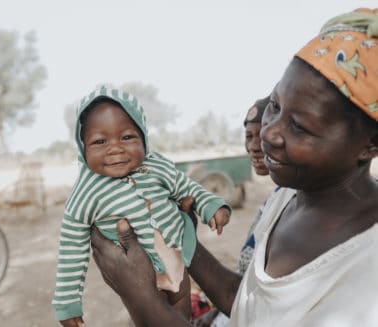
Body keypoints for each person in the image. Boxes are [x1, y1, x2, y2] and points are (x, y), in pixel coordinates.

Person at [90, 8, 378, 326]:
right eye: (275, 107)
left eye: (298, 126)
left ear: (370, 144)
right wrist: (182, 239)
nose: (268, 133)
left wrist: (140, 297)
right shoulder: (289, 196)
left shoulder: (367, 273)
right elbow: (251, 307)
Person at [52, 86, 231, 326]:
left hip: (177, 263)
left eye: (127, 137)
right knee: (150, 319)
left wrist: (210, 205)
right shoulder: (86, 190)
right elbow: (71, 248)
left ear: (144, 138)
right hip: (137, 277)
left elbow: (186, 186)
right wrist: (67, 301)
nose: (115, 148)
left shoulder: (154, 165)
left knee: (182, 315)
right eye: (99, 141)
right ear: (82, 148)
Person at [193, 96, 272, 327]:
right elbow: (245, 280)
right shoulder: (274, 201)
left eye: (265, 133)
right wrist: (214, 314)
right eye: (249, 137)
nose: (255, 146)